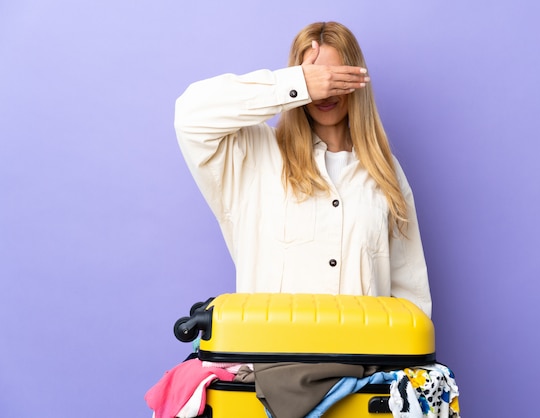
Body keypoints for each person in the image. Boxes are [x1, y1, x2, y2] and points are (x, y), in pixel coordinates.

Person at [174, 21, 431, 318]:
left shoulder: (384, 171)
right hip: (275, 357)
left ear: (356, 80)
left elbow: (411, 294)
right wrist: (296, 85)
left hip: (363, 360)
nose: (325, 92)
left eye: (335, 77)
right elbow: (190, 116)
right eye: (317, 77)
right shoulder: (253, 156)